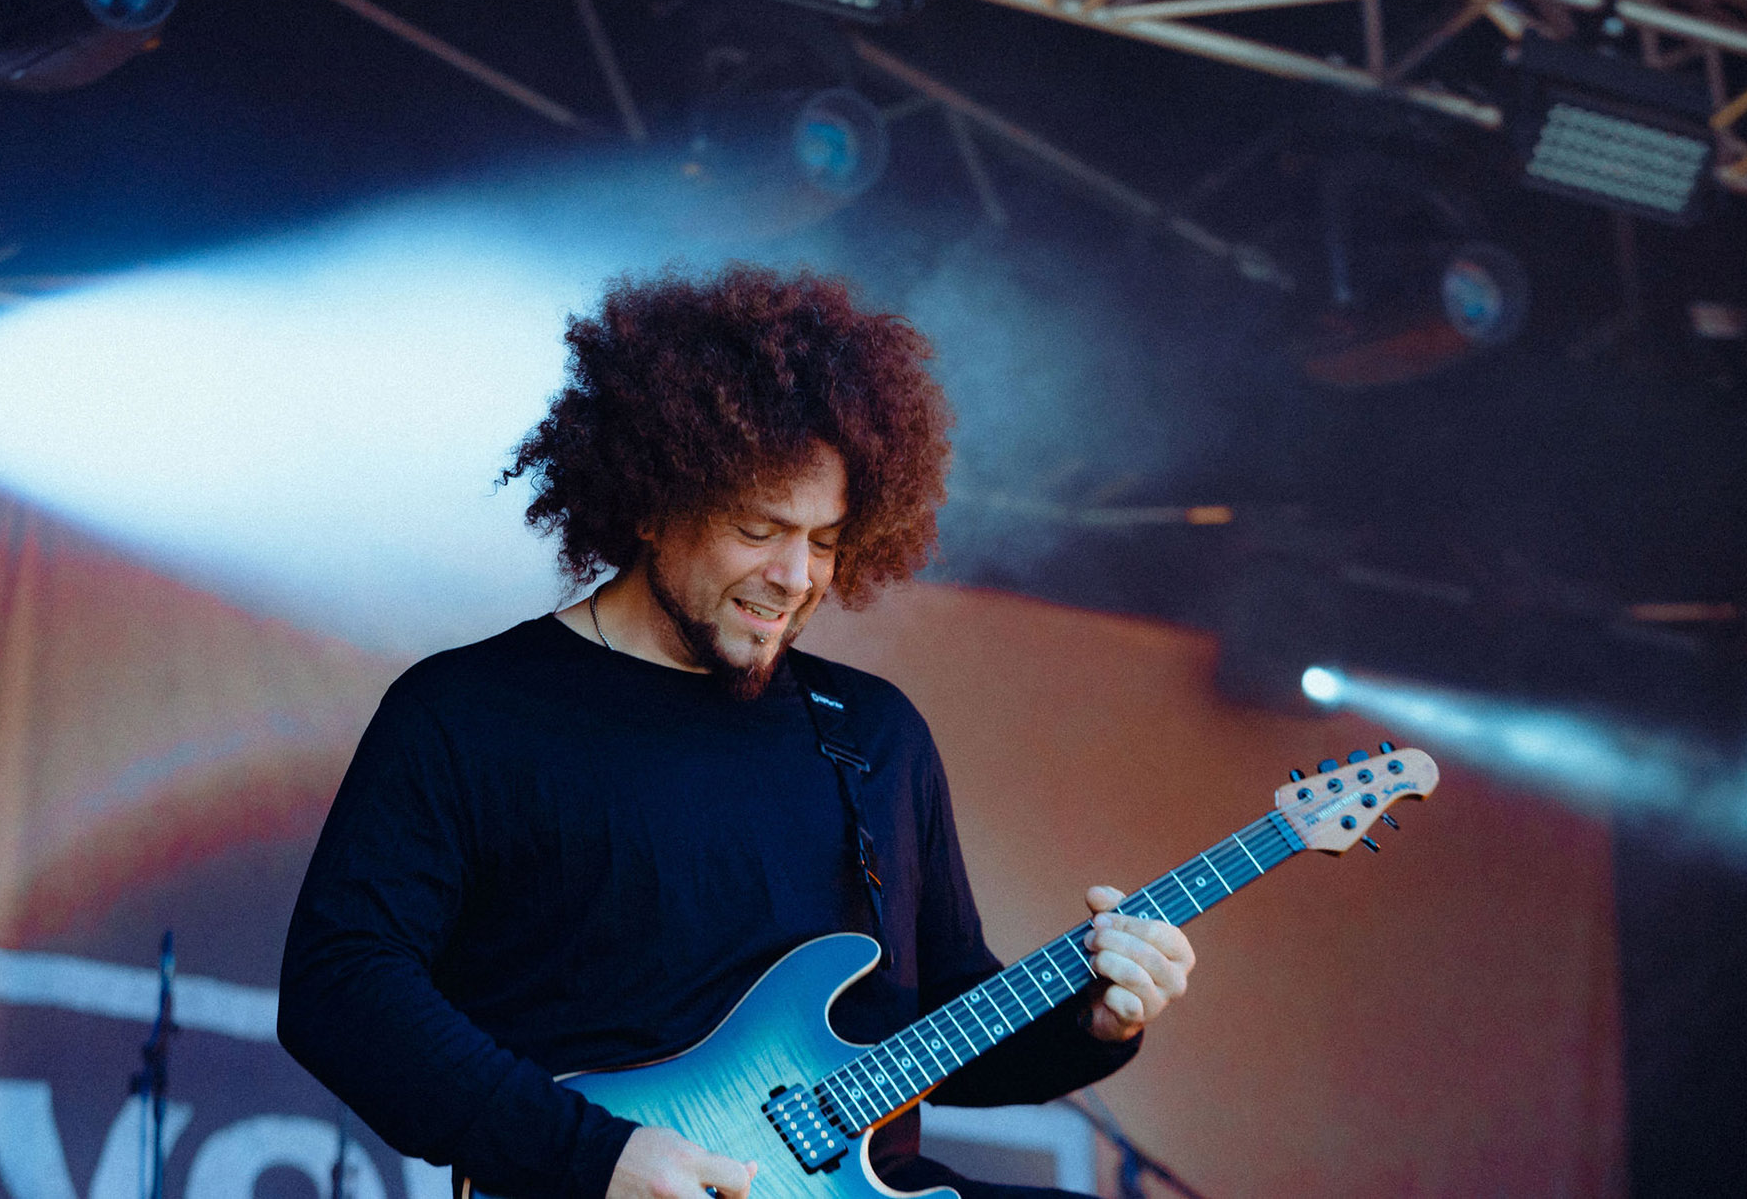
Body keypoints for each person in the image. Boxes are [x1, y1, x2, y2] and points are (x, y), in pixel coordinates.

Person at [278, 266, 1195, 1199]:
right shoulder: (469, 712)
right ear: (651, 501)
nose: (796, 576)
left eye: (826, 541)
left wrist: (1094, 1021)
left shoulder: (874, 734)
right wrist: (592, 1154)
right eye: (760, 529)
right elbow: (339, 984)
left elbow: (940, 1020)